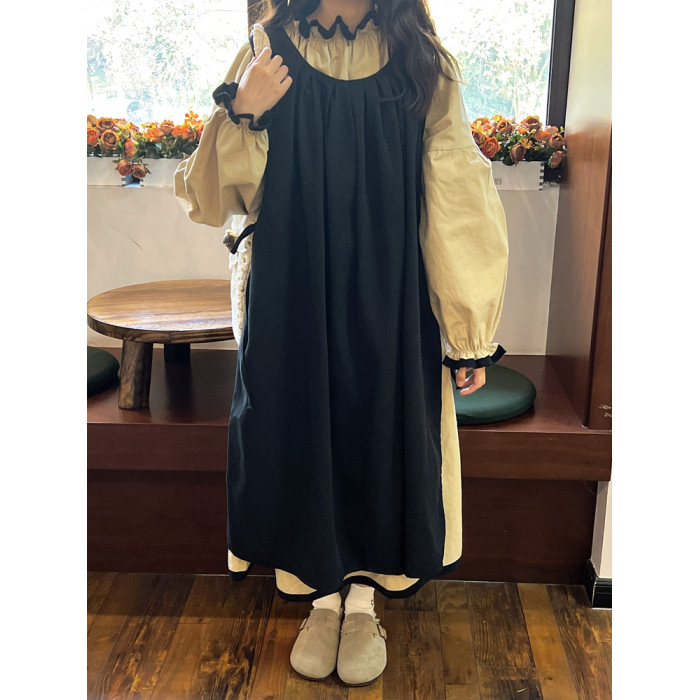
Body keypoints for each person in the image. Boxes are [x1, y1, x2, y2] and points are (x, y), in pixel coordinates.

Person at [174, 0, 508, 687]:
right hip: (293, 289)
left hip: (392, 292)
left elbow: (454, 186)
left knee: (379, 434)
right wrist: (244, 110)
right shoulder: (268, 50)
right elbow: (214, 198)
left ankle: (362, 604)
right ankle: (320, 598)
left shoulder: (423, 61)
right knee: (298, 433)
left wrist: (468, 329)